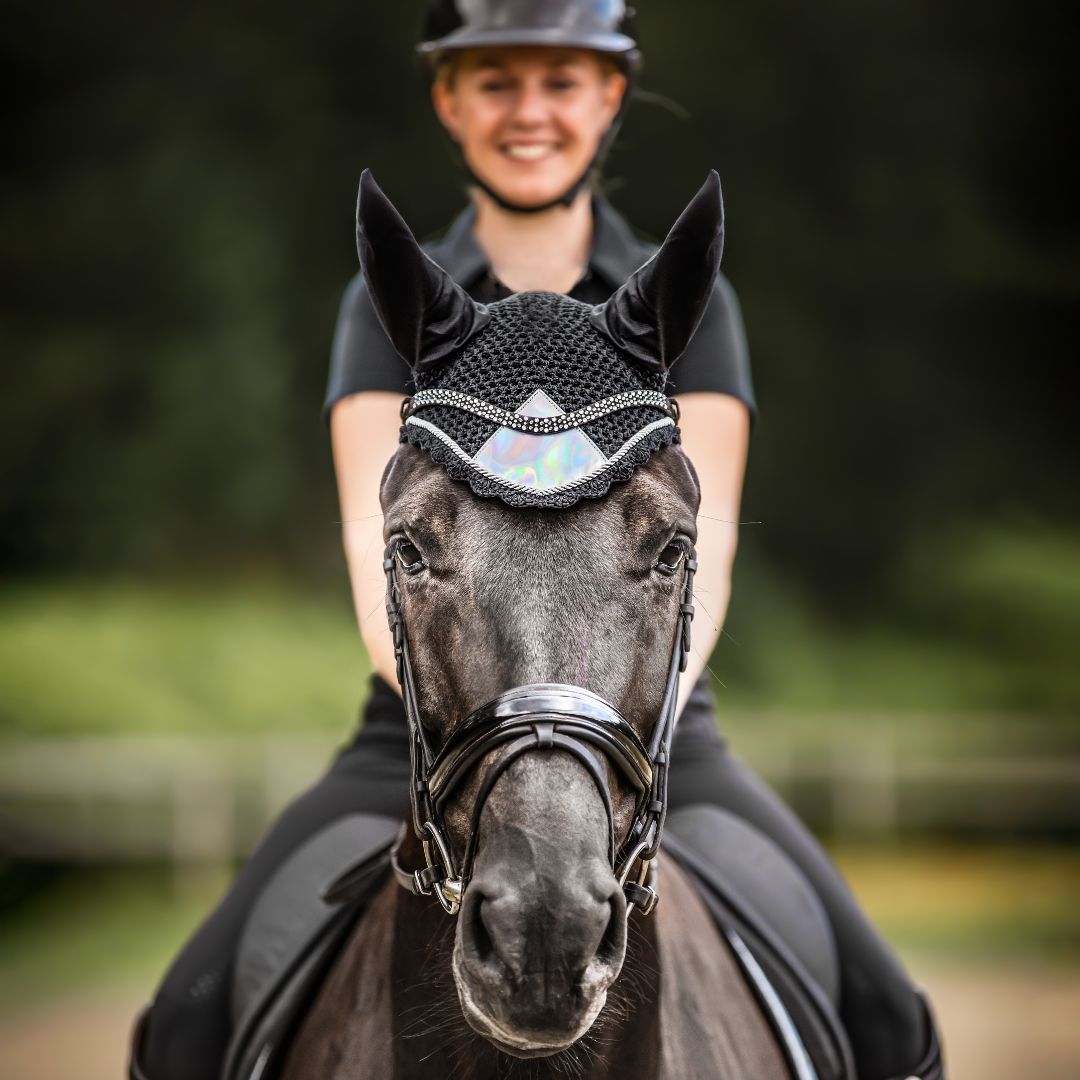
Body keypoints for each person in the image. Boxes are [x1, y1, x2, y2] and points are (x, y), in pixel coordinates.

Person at [133, 3, 942, 1078]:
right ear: (447, 99)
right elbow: (383, 561)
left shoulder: (695, 306)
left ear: (609, 96)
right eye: (495, 81)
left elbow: (705, 557)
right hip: (426, 736)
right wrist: (493, 744)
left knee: (886, 1016)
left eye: (560, 82)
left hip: (656, 745)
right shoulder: (383, 308)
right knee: (187, 1022)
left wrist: (602, 751)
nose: (529, 111)